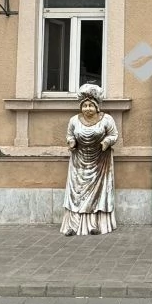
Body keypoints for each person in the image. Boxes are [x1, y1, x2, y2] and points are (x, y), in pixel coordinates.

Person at [60, 84, 119, 236]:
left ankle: (94, 225)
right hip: (79, 162)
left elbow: (114, 135)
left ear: (97, 107)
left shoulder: (107, 119)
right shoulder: (74, 120)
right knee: (76, 193)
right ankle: (73, 225)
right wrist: (71, 142)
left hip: (100, 161)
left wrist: (106, 142)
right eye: (85, 105)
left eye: (90, 105)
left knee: (96, 194)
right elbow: (70, 135)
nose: (87, 108)